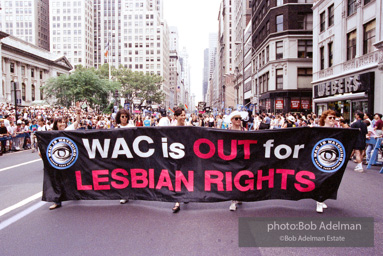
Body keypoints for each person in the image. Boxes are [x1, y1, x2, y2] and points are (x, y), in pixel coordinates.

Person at [49, 107, 81, 210]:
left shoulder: (68, 130)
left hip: (69, 160)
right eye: (59, 122)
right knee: (56, 180)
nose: (62, 124)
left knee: (72, 178)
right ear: (56, 124)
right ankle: (57, 201)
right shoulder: (51, 133)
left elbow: (76, 123)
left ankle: (75, 194)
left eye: (63, 122)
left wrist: (78, 114)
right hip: (56, 161)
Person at [316, 109, 337, 213]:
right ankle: (318, 201)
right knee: (321, 178)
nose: (332, 120)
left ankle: (322, 199)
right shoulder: (320, 130)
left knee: (328, 179)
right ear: (324, 119)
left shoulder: (338, 131)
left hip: (332, 159)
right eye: (330, 118)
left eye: (334, 118)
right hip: (320, 158)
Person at [226, 111, 247, 211]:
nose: (239, 120)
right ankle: (233, 201)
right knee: (233, 178)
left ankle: (239, 196)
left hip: (242, 157)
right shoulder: (228, 131)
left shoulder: (244, 130)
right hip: (232, 158)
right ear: (232, 120)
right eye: (236, 118)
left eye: (240, 118)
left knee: (241, 178)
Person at [114, 109, 134, 204]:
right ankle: (124, 195)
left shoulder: (131, 127)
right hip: (119, 154)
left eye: (126, 116)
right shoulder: (116, 128)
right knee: (122, 175)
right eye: (122, 117)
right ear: (119, 118)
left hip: (130, 154)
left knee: (131, 174)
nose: (124, 118)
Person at [172, 108, 187, 213]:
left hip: (187, 156)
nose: (183, 117)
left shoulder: (188, 126)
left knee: (186, 176)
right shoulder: (171, 128)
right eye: (181, 115)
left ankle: (186, 195)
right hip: (175, 156)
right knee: (177, 177)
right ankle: (177, 201)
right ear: (176, 117)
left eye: (184, 115)